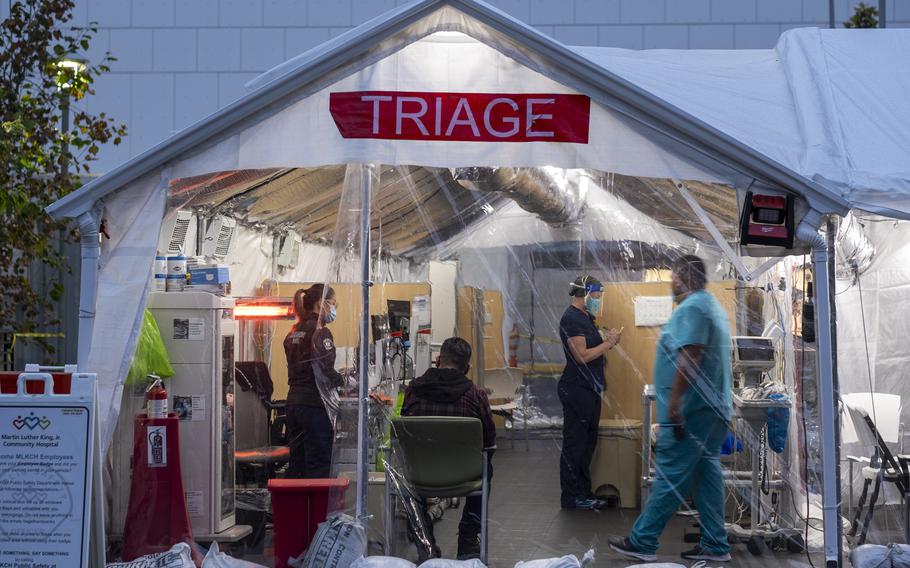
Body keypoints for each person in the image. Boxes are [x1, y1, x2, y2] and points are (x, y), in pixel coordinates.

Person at [610, 255, 733, 563]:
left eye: (672, 277)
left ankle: (643, 541)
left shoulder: (692, 307)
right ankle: (716, 544)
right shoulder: (710, 305)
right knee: (706, 476)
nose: (670, 284)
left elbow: (690, 355)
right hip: (712, 409)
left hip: (692, 411)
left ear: (679, 277)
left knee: (669, 474)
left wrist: (675, 403)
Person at [401, 337, 496, 562]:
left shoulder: (413, 390)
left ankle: (425, 540)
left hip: (420, 476)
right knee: (487, 468)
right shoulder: (476, 395)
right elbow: (489, 444)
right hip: (465, 475)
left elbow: (404, 436)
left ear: (438, 360)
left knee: (407, 466)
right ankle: (468, 538)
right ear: (467, 368)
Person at [558, 275, 621, 510]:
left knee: (587, 443)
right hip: (577, 389)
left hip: (589, 388)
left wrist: (604, 338)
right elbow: (581, 356)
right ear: (584, 294)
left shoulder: (586, 317)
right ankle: (571, 497)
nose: (598, 299)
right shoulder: (572, 318)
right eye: (596, 295)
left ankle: (583, 492)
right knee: (575, 444)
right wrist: (609, 344)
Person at [283, 283, 344, 478]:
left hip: (293, 404)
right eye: (333, 304)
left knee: (297, 464)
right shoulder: (320, 332)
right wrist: (347, 381)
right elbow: (324, 371)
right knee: (318, 464)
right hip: (314, 406)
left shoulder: (293, 332)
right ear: (321, 304)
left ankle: (296, 508)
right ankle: (317, 509)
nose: (334, 309)